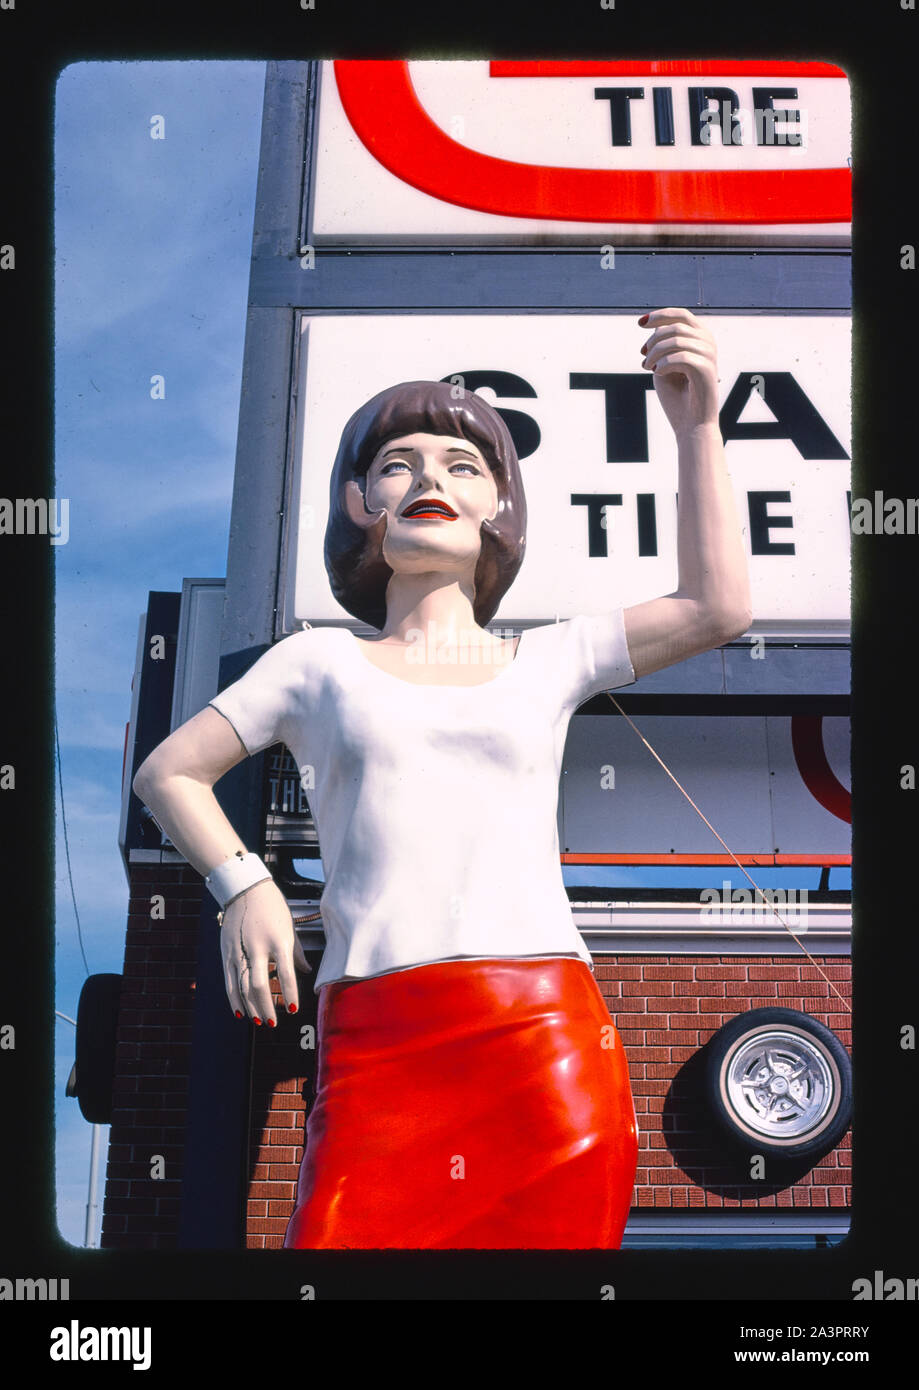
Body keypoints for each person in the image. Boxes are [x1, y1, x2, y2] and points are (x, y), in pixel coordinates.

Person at [133, 307, 752, 1249]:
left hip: (541, 1040)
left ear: (497, 509)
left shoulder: (548, 660)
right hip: (375, 1035)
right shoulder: (314, 665)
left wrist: (696, 422)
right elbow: (170, 772)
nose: (429, 479)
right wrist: (243, 885)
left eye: (463, 467)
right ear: (357, 505)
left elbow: (716, 607)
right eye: (398, 464)